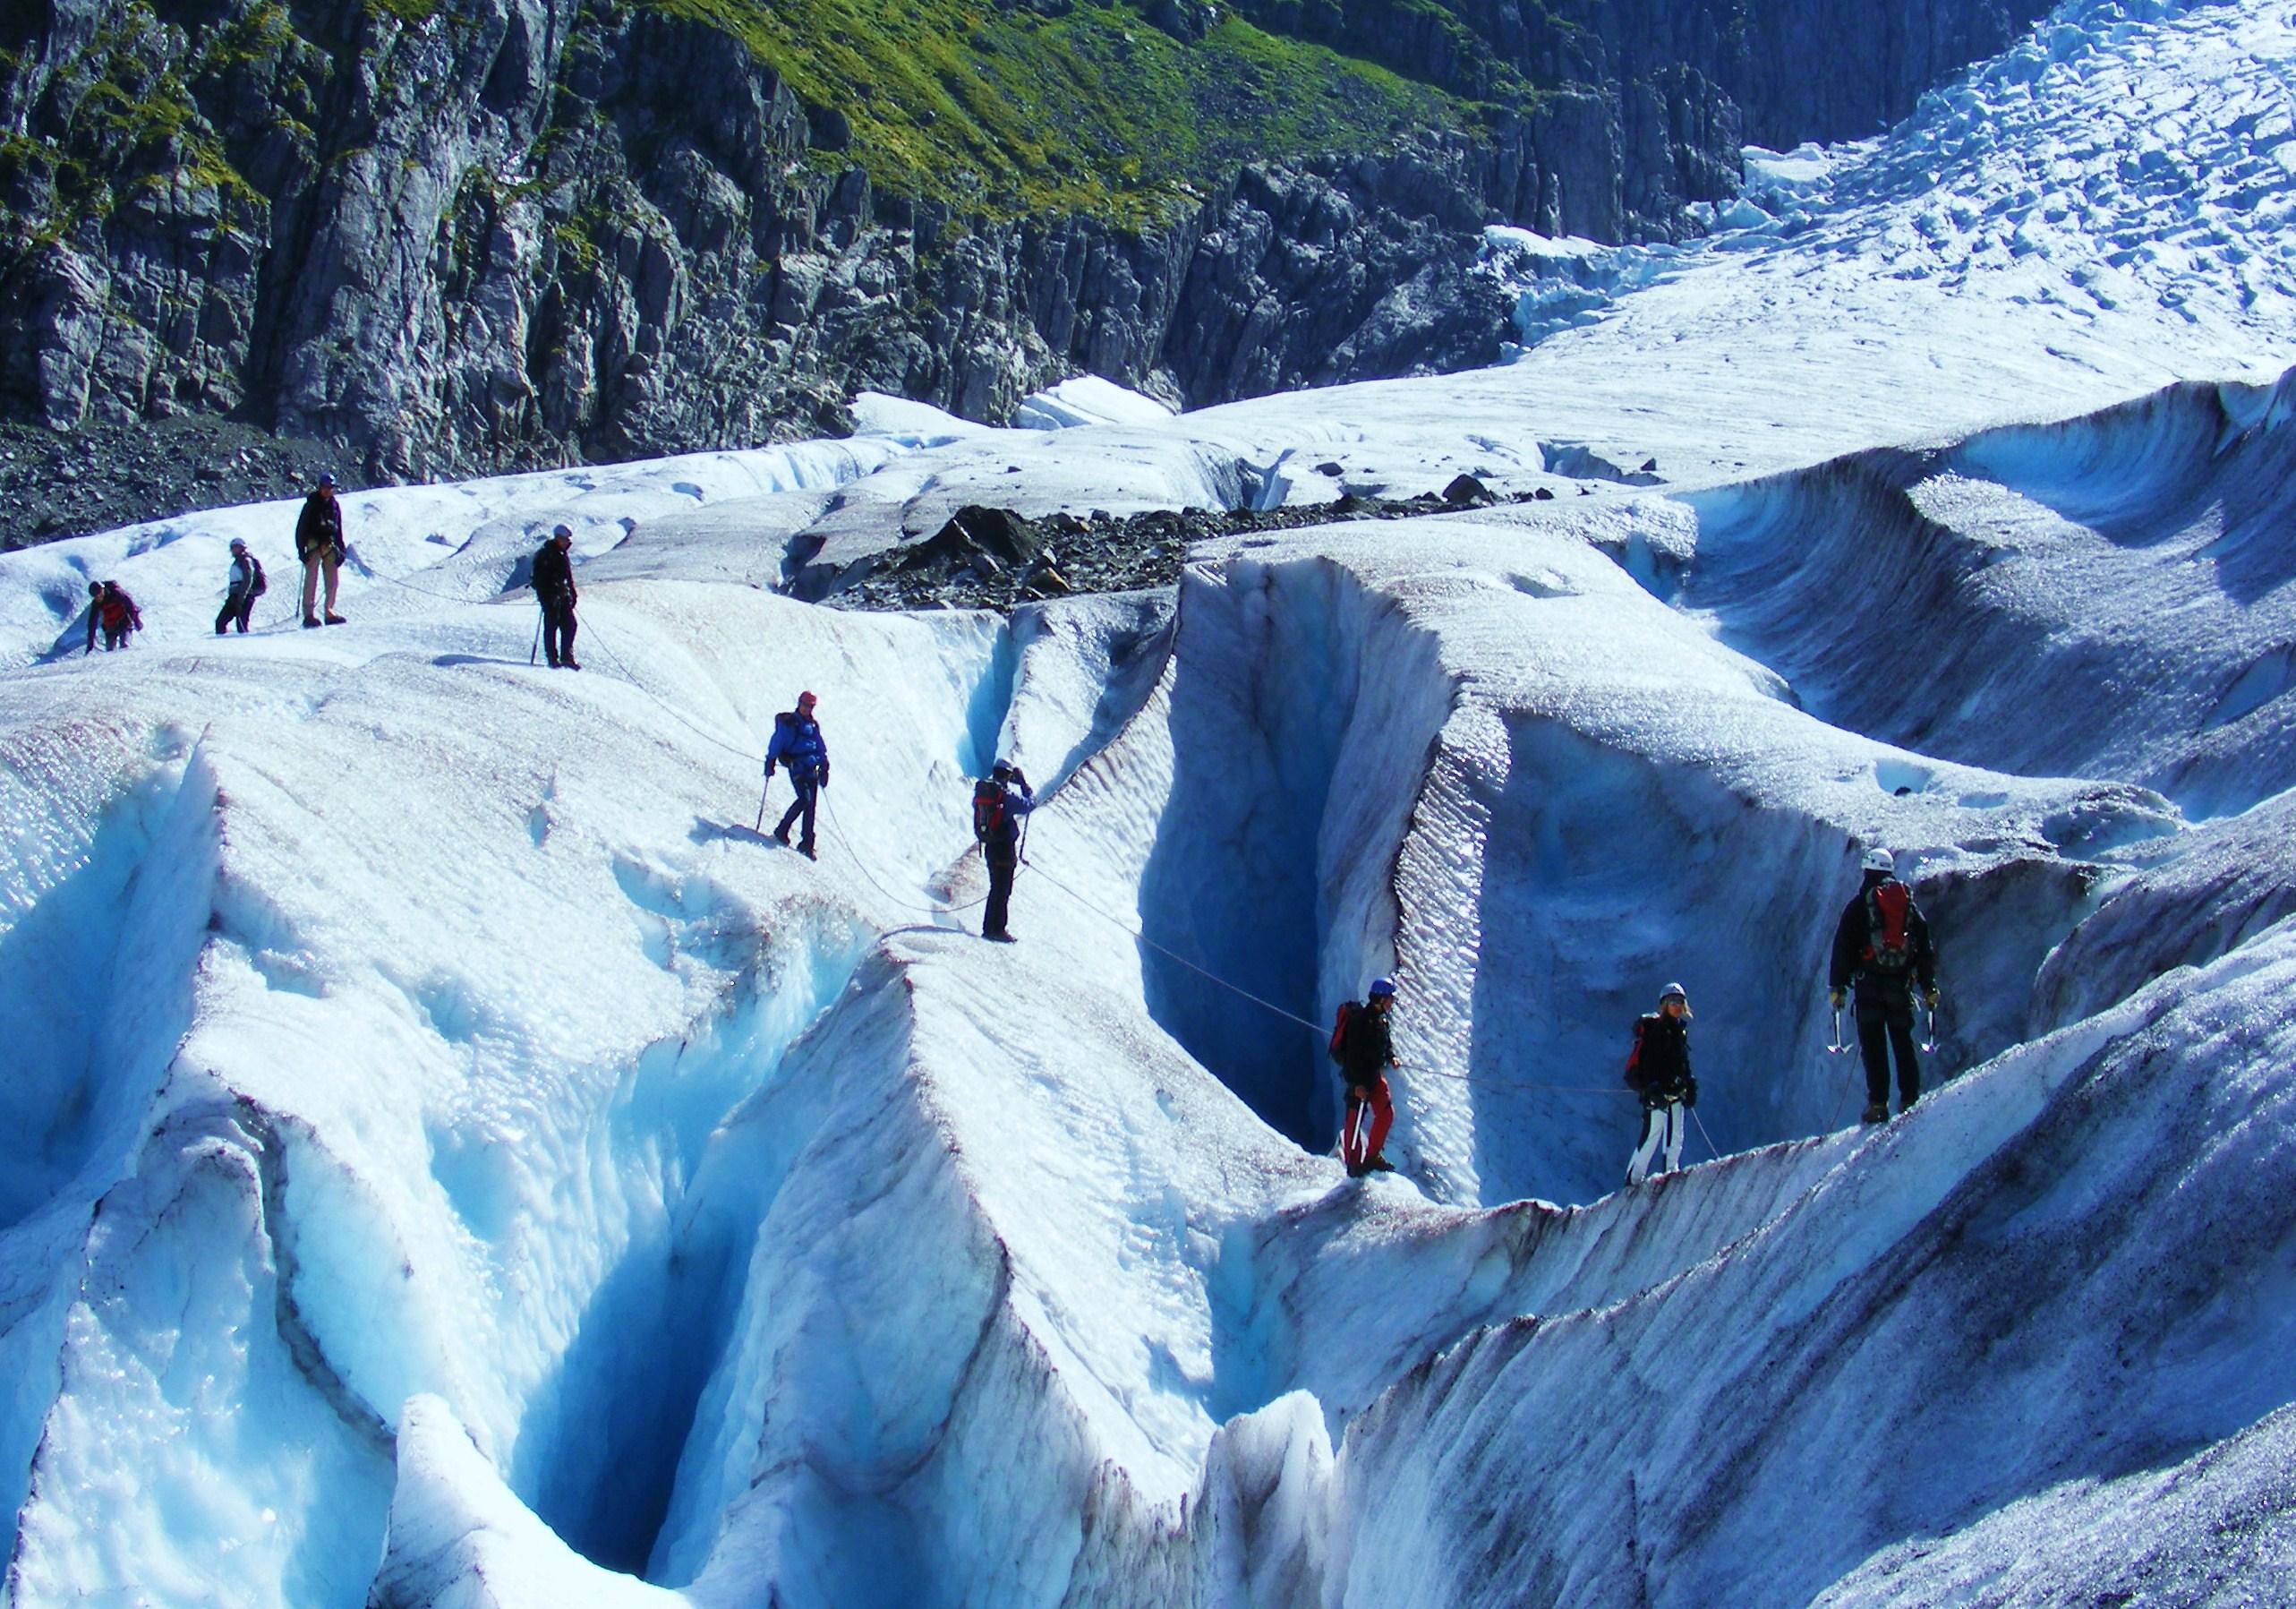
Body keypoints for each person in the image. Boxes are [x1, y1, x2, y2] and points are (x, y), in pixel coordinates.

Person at [1829, 848, 1939, 1123]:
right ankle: (1910, 1098)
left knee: (1874, 1045)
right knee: (1903, 1042)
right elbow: (1924, 948)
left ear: (1867, 871)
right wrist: (1928, 986)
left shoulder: (1858, 907)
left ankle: (1878, 1104)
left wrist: (1838, 987)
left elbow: (1843, 947)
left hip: (1868, 986)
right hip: (1901, 986)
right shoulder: (1908, 907)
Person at [1624, 983, 1697, 1185]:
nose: (1677, 1006)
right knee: (1652, 1136)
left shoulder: (1679, 1031)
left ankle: (1669, 1174)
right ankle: (1633, 1180)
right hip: (1657, 1092)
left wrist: (1689, 1082)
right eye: (1673, 1001)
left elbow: (1682, 1061)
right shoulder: (1658, 1029)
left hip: (1673, 1091)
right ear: (1664, 1005)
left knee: (1675, 1137)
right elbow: (1649, 1062)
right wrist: (1652, 1087)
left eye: (1680, 1002)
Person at [1333, 977, 1400, 1177]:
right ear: (1380, 998)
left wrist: (1391, 1057)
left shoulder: (1381, 1020)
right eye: (1390, 998)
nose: (1392, 1002)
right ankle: (1353, 1165)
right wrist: (1356, 1085)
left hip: (1374, 1076)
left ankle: (1371, 1156)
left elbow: (1384, 1045)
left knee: (1386, 1114)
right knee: (1354, 1123)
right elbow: (1352, 1057)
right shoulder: (1360, 1022)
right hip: (1359, 1080)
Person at [972, 757, 1034, 941]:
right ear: (1008, 775)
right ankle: (997, 930)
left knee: (996, 888)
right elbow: (1030, 804)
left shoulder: (984, 793)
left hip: (990, 846)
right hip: (1005, 849)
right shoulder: (1005, 796)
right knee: (1003, 890)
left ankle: (990, 927)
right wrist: (1024, 785)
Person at [764, 691, 829, 859]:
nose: (807, 709)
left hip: (812, 768)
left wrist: (824, 765)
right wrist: (770, 760)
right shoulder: (790, 723)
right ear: (799, 703)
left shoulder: (813, 725)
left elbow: (819, 746)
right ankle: (782, 829)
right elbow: (777, 741)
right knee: (804, 799)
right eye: (805, 705)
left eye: (810, 706)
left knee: (811, 806)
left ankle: (807, 844)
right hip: (798, 767)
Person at [296, 472, 346, 628]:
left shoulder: (334, 505)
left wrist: (341, 549)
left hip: (330, 544)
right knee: (311, 579)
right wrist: (301, 549)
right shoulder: (311, 505)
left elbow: (338, 528)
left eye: (330, 488)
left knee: (332, 581)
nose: (328, 490)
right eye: (326, 487)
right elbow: (301, 528)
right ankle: (309, 614)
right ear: (320, 487)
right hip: (313, 545)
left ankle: (329, 612)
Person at [532, 524, 579, 669]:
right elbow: (540, 578)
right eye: (565, 539)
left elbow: (567, 576)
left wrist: (572, 592)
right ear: (558, 538)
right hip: (550, 597)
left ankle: (566, 657)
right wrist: (549, 594)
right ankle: (553, 658)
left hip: (562, 597)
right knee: (551, 626)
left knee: (570, 625)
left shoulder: (561, 554)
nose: (567, 542)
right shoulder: (546, 554)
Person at [215, 538, 262, 635]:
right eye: (232, 547)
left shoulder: (245, 561)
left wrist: (241, 598)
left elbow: (247, 579)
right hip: (236, 596)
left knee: (240, 623)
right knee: (222, 622)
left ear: (241, 548)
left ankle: (241, 645)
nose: (233, 550)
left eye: (235, 547)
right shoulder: (239, 561)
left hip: (243, 596)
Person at [85, 579, 141, 652]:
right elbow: (92, 623)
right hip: (110, 625)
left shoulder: (116, 592)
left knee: (124, 646)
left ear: (103, 589)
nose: (98, 597)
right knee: (110, 651)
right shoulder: (96, 603)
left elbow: (131, 606)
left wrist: (136, 621)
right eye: (95, 596)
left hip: (124, 621)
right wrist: (91, 643)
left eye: (99, 593)